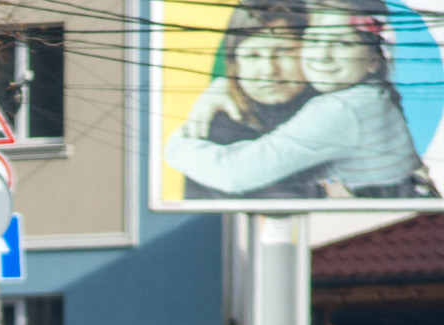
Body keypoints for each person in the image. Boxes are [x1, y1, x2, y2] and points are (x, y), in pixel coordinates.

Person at [167, 0, 435, 198]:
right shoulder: (365, 95)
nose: (323, 55)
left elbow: (234, 173)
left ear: (374, 61)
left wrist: (177, 144)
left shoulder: (342, 108)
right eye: (316, 39)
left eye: (343, 44)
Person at [182, 2, 323, 199]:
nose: (269, 70)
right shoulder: (217, 128)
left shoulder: (338, 108)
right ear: (234, 64)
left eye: (283, 50)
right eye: (252, 55)